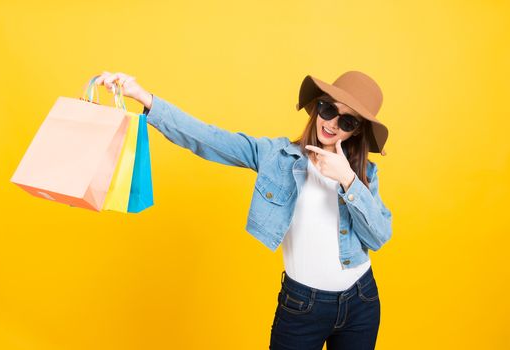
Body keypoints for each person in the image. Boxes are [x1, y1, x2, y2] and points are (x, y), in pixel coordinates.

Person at [95, 71, 393, 350]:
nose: (331, 124)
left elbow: (379, 237)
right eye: (329, 110)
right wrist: (145, 98)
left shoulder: (363, 174)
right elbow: (208, 138)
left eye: (347, 122)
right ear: (318, 107)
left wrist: (348, 180)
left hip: (361, 300)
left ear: (357, 131)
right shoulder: (276, 156)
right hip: (302, 305)